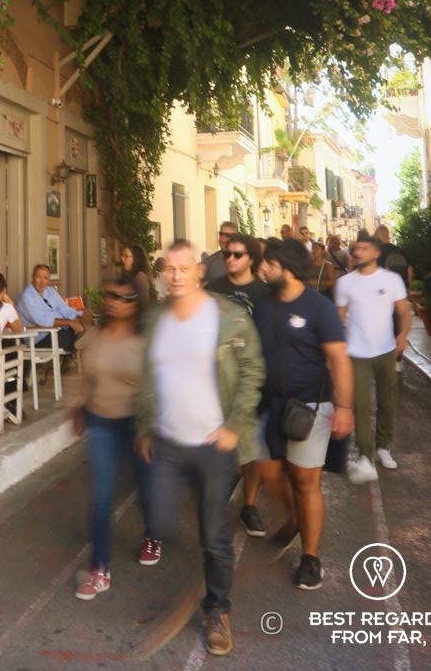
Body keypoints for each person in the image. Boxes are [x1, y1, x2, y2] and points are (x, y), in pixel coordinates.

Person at [137, 239, 264, 658]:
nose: (175, 276)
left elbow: (253, 370)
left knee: (213, 535)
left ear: (199, 272)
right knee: (157, 517)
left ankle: (218, 610)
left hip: (212, 444)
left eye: (183, 268)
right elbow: (147, 375)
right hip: (169, 442)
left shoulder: (227, 316)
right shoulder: (156, 318)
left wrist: (235, 425)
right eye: (169, 269)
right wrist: (145, 427)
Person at [253, 238, 354, 591]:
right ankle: (297, 518)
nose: (262, 268)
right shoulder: (263, 305)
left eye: (268, 263)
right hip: (269, 405)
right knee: (266, 471)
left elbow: (338, 359)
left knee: (304, 481)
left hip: (310, 407)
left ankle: (310, 558)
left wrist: (344, 408)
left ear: (287, 268)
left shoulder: (318, 307)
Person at [70, 279, 154, 600]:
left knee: (145, 487)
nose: (114, 301)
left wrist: (148, 429)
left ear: (135, 304)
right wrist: (77, 406)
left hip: (135, 425)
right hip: (101, 422)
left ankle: (152, 535)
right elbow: (86, 377)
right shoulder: (96, 337)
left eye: (123, 297)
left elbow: (153, 389)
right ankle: (99, 569)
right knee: (102, 495)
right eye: (110, 295)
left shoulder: (143, 343)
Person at [206, 232, 271, 540]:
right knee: (215, 444)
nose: (230, 259)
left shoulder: (264, 293)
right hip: (215, 381)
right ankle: (213, 500)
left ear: (251, 259)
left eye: (237, 254)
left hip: (248, 378)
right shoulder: (213, 289)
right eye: (227, 254)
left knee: (251, 449)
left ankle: (249, 504)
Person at [335, 235, 412, 483]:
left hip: (386, 351)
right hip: (356, 353)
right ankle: (365, 455)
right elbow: (339, 317)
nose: (358, 252)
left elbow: (403, 311)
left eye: (364, 249)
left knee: (386, 402)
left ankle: (383, 447)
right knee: (360, 405)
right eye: (356, 249)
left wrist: (402, 336)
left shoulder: (391, 280)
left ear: (376, 253)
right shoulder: (345, 283)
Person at [17, 264, 93, 353]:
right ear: (32, 277)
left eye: (45, 278)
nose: (42, 282)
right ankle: (84, 344)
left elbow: (64, 309)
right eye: (38, 277)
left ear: (48, 280)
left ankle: (83, 340)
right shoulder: (27, 297)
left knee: (86, 314)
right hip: (40, 337)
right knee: (82, 337)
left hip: (59, 330)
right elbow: (41, 321)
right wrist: (70, 322)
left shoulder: (50, 291)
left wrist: (76, 318)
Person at [374, 224, 413, 373]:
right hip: (400, 292)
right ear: (388, 235)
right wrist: (408, 287)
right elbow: (410, 270)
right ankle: (397, 360)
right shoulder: (400, 250)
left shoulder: (377, 252)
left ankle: (385, 359)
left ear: (378, 236)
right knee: (399, 325)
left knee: (384, 326)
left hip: (383, 295)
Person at [203, 221, 238, 288]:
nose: (222, 239)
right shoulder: (209, 262)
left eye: (228, 236)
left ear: (236, 237)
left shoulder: (245, 260)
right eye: (221, 234)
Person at [120, 244, 153, 308]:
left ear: (136, 258)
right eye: (122, 255)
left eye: (126, 256)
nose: (122, 258)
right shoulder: (128, 276)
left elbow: (143, 305)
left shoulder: (140, 277)